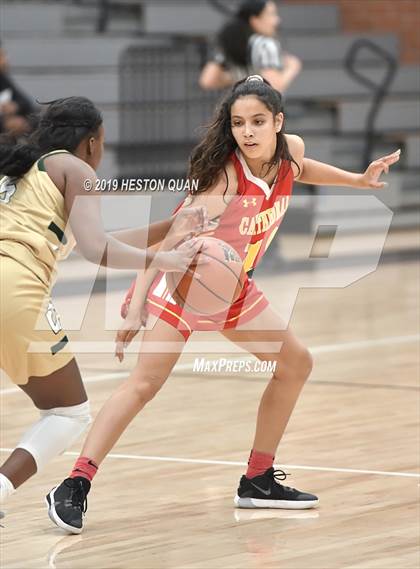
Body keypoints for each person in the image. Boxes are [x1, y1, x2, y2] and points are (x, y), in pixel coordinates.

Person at [47, 77, 400, 534]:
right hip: (186, 280)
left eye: (257, 122)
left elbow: (302, 168)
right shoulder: (224, 178)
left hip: (233, 287)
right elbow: (174, 236)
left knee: (296, 363)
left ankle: (257, 479)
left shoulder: (288, 149)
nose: (248, 132)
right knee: (144, 385)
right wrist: (136, 304)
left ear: (278, 122)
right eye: (238, 124)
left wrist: (357, 179)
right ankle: (74, 484)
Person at [0, 95, 210, 506]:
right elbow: (98, 250)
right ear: (92, 143)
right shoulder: (75, 169)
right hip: (13, 286)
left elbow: (94, 242)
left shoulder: (23, 173)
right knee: (68, 413)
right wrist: (164, 257)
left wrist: (171, 226)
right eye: (104, 142)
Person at [199, 0, 302, 93]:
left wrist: (245, 79)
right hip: (262, 111)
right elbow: (274, 87)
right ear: (255, 20)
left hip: (239, 109)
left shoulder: (229, 44)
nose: (277, 20)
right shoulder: (265, 45)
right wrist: (292, 68)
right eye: (271, 14)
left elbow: (207, 81)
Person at [0, 38, 36, 136]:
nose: (5, 60)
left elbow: (26, 103)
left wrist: (14, 106)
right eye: (2, 56)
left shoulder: (3, 79)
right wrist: (4, 123)